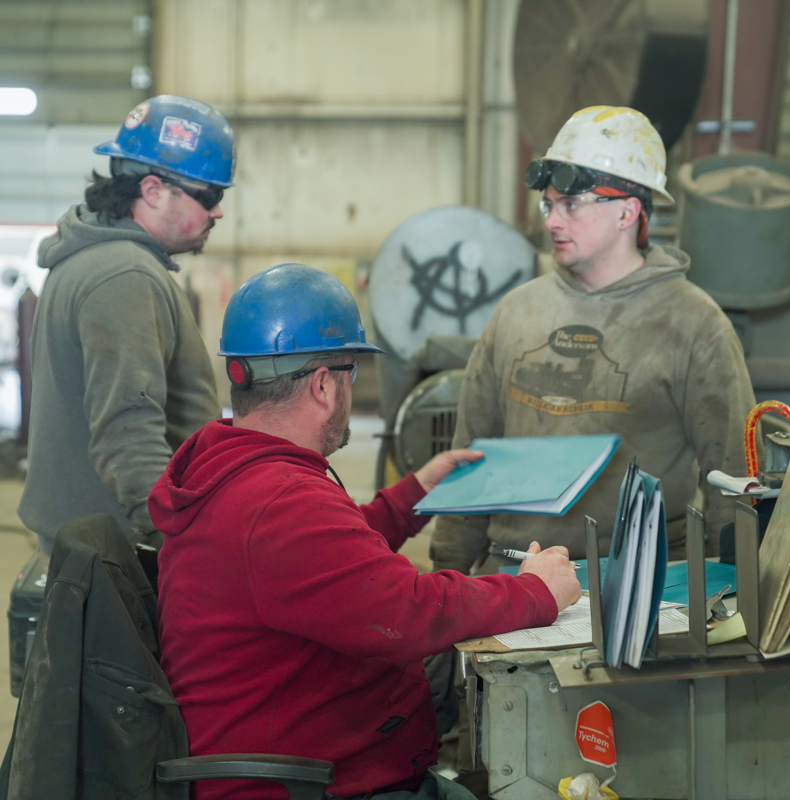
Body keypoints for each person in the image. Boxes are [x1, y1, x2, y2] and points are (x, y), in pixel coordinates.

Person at [149, 263, 582, 800]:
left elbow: (324, 564)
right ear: (324, 384)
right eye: (351, 374)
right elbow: (406, 611)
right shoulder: (279, 503)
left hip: (305, 755)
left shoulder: (236, 468)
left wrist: (413, 495)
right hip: (307, 785)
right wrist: (535, 591)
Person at [431, 105, 756, 574]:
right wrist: (449, 577)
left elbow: (732, 481)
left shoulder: (694, 325)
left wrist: (733, 595)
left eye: (571, 205)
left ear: (628, 211)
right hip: (512, 576)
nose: (551, 222)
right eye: (548, 204)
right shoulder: (517, 312)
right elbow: (470, 459)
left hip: (640, 587)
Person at [18, 94, 234, 555]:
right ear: (153, 191)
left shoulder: (93, 258)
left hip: (92, 541)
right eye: (209, 196)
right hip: (121, 553)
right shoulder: (125, 276)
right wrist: (180, 544)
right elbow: (128, 431)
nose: (217, 212)